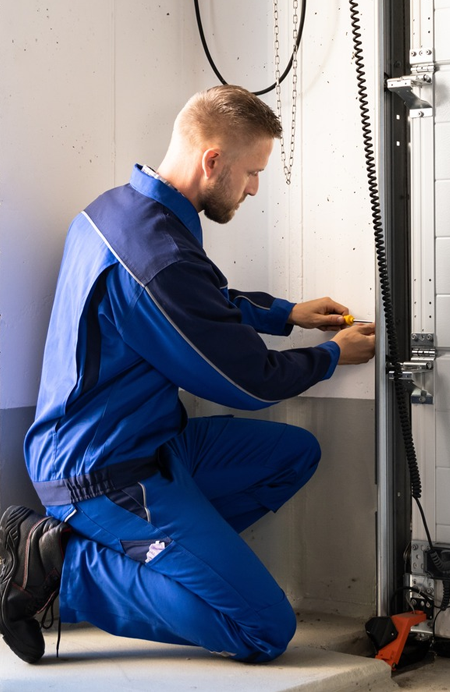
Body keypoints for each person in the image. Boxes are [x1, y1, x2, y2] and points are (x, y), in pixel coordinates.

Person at [0, 85, 376, 665]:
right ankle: (63, 567)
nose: (254, 187)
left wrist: (286, 314)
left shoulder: (120, 211)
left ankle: (171, 562)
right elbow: (251, 383)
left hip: (153, 443)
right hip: (101, 473)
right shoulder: (156, 258)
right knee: (264, 629)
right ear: (213, 160)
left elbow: (201, 299)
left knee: (293, 454)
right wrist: (330, 356)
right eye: (252, 172)